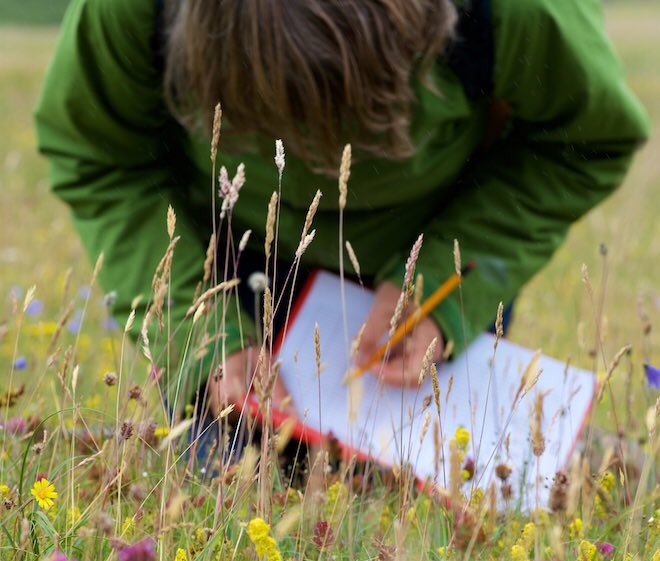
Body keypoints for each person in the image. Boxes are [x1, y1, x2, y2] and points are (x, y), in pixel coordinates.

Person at [35, 0, 649, 424]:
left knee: (426, 498)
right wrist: (198, 335)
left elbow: (582, 141)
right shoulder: (134, 13)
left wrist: (442, 285)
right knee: (233, 480)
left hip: (437, 241)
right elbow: (99, 153)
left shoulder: (521, 13)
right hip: (228, 263)